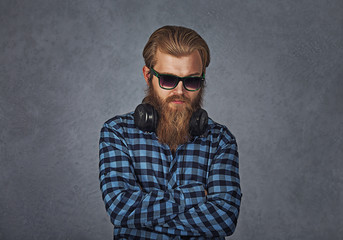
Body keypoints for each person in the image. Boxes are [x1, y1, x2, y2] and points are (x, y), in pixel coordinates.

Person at [99, 25, 242, 240]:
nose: (179, 91)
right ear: (148, 76)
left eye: (192, 81)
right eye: (168, 79)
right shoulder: (117, 133)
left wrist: (144, 219)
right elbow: (122, 210)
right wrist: (194, 196)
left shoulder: (221, 140)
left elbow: (224, 219)